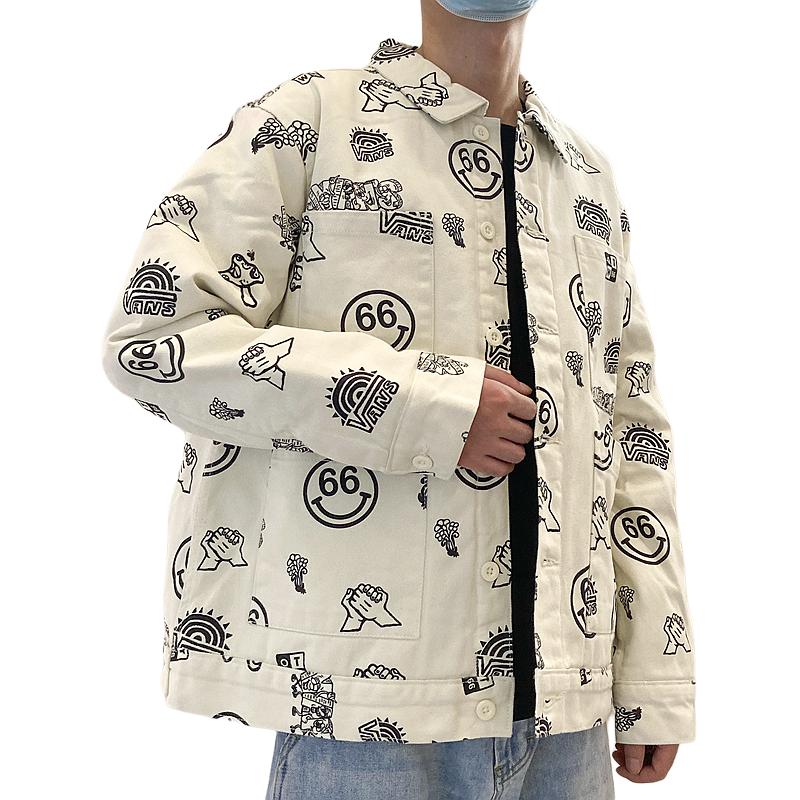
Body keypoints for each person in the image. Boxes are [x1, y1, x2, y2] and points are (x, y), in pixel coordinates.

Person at [100, 1, 696, 797]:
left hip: (567, 724)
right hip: (367, 721)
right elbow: (153, 340)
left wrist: (654, 671)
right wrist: (421, 408)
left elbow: (630, 430)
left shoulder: (584, 176)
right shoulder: (307, 120)